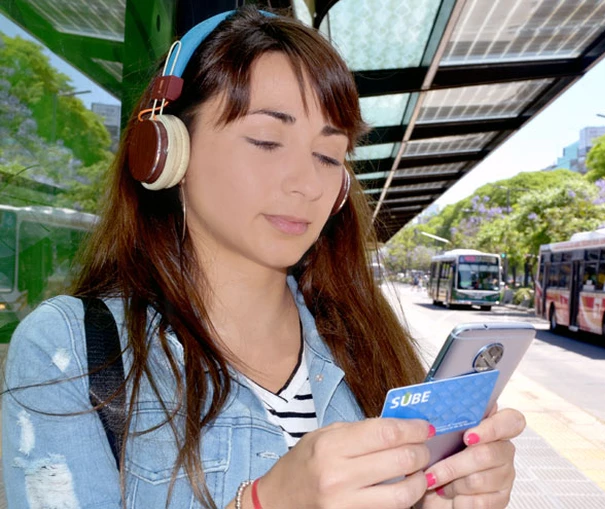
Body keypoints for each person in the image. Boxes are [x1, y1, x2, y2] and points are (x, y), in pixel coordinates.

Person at [1, 7, 524, 509]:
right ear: (167, 150)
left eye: (327, 155)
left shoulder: (366, 339)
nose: (306, 184)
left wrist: (440, 499)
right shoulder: (69, 350)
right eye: (267, 140)